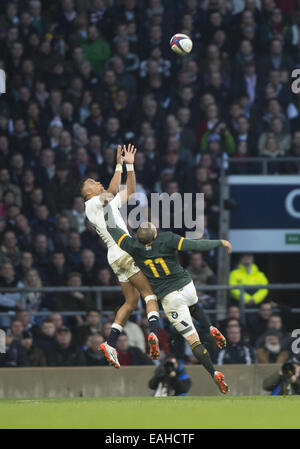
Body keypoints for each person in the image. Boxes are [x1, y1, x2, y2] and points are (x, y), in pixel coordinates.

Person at [104, 202, 232, 394]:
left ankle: (214, 373)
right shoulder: (168, 238)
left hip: (169, 297)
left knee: (194, 341)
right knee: (194, 305)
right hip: (186, 286)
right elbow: (195, 245)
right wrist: (219, 243)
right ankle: (211, 327)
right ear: (155, 233)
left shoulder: (133, 246)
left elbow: (113, 230)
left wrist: (106, 209)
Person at [81, 144, 160, 368]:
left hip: (116, 256)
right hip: (124, 251)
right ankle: (154, 333)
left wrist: (131, 166)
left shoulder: (105, 203)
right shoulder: (92, 203)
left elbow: (131, 191)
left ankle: (110, 343)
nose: (98, 183)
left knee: (131, 301)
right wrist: (118, 165)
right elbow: (113, 191)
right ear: (89, 192)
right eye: (94, 183)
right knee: (150, 294)